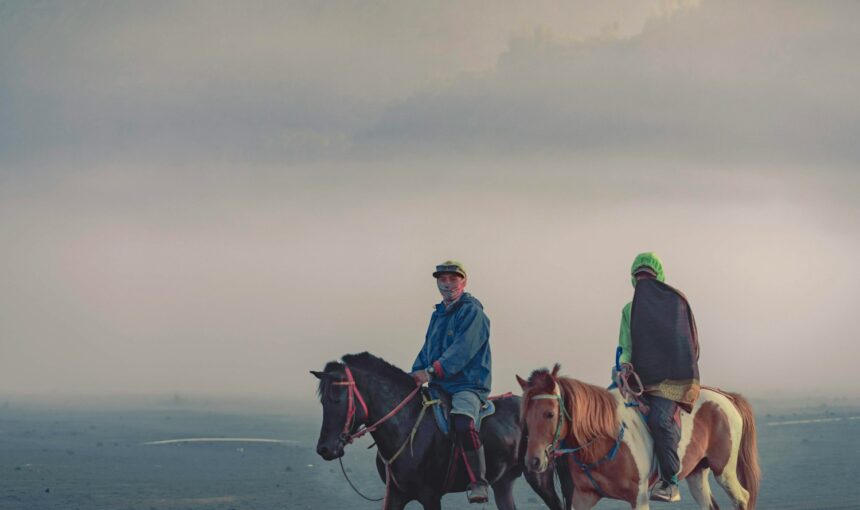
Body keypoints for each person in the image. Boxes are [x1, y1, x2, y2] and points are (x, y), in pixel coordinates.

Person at [616, 252, 700, 503]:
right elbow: (626, 346)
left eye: (648, 277)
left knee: (659, 419)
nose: (644, 281)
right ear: (633, 280)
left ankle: (670, 481)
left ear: (659, 277)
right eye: (639, 278)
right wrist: (623, 366)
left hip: (669, 382)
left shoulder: (675, 304)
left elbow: (686, 345)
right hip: (638, 380)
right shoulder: (629, 310)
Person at [411, 260, 492, 504]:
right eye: (442, 279)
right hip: (439, 385)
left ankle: (478, 482)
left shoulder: (473, 313)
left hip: (467, 384)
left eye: (453, 279)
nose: (447, 284)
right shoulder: (437, 315)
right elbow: (428, 348)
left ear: (464, 282)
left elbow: (462, 350)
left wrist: (432, 372)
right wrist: (415, 374)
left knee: (463, 423)